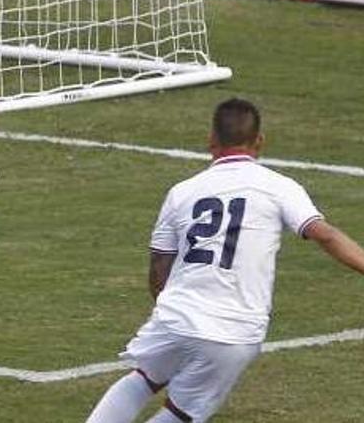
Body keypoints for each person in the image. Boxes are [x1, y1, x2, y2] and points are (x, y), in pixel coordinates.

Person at [85, 98, 364, 422]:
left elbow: (159, 266)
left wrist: (175, 313)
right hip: (235, 331)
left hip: (178, 316)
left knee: (141, 380)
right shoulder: (280, 187)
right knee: (180, 413)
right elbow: (325, 235)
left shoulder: (181, 192)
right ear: (259, 141)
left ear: (210, 141)